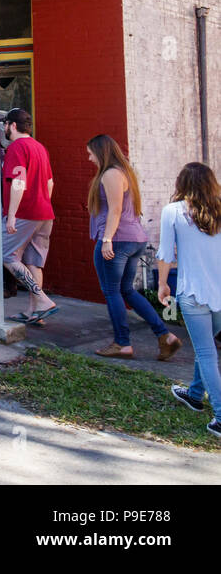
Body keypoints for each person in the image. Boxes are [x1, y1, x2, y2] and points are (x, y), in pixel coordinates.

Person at [85, 135, 179, 359]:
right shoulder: (124, 172)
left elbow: (115, 209)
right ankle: (165, 336)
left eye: (90, 152)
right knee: (126, 290)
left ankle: (122, 343)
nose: (89, 157)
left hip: (118, 240)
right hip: (133, 239)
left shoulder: (111, 174)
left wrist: (107, 239)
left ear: (101, 152)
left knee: (111, 291)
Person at [158, 162, 221, 438]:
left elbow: (165, 254)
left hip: (193, 293)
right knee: (205, 347)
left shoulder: (172, 212)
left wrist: (162, 285)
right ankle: (195, 394)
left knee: (207, 352)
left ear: (181, 184)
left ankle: (220, 416)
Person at [0, 108, 60, 324]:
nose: (4, 128)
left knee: (6, 255)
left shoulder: (16, 147)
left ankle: (42, 300)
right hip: (44, 212)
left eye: (5, 124)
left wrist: (12, 215)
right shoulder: (39, 147)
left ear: (12, 125)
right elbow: (50, 182)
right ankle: (36, 313)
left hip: (25, 211)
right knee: (34, 262)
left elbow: (18, 182)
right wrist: (43, 202)